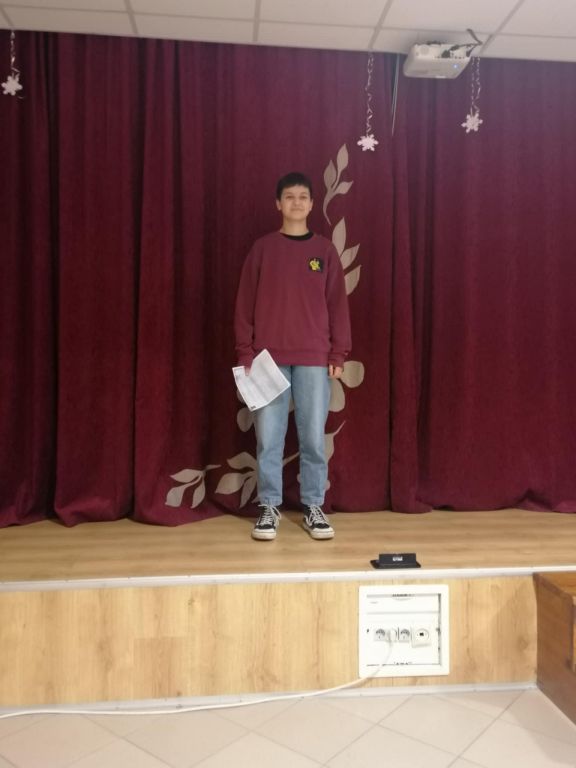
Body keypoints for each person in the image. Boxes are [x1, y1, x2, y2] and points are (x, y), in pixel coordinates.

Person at [234, 172, 351, 541]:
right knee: (269, 438)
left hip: (314, 358)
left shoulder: (325, 252)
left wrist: (338, 352)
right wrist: (245, 351)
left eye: (303, 196)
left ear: (313, 204)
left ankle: (313, 505)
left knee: (313, 438)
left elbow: (337, 305)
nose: (296, 202)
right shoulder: (262, 250)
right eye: (289, 196)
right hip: (267, 360)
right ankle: (269, 506)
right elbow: (244, 305)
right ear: (278, 203)